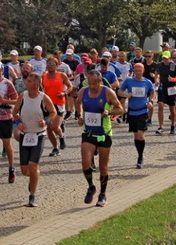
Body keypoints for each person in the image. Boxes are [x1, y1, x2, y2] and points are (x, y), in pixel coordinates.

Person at [75, 68, 123, 208]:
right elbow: (78, 102)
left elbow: (120, 109)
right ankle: (91, 186)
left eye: (95, 83)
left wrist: (109, 112)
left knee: (103, 166)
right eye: (90, 83)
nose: (92, 86)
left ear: (100, 81)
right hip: (88, 132)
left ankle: (102, 194)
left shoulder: (107, 92)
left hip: (104, 133)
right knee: (85, 162)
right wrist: (79, 116)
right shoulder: (83, 91)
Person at [13, 72, 59, 207]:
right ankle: (34, 176)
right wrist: (18, 122)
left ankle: (32, 195)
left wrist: (46, 121)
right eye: (27, 80)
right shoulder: (22, 96)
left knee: (33, 166)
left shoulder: (43, 98)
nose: (27, 82)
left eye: (30, 81)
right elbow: (14, 112)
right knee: (25, 170)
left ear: (37, 84)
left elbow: (53, 112)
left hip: (39, 135)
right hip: (25, 135)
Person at [117, 63, 155, 168]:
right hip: (132, 111)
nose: (138, 72)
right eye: (136, 70)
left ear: (143, 71)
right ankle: (139, 154)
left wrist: (151, 101)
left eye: (140, 70)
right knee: (136, 135)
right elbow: (120, 92)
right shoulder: (129, 81)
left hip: (142, 111)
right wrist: (126, 95)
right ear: (134, 70)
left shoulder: (147, 82)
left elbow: (152, 92)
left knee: (140, 135)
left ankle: (140, 157)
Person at [41, 58, 72, 156]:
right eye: (48, 64)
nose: (50, 65)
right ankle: (55, 148)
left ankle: (61, 136)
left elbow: (70, 86)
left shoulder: (61, 75)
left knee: (54, 126)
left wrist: (64, 93)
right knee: (49, 128)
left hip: (58, 103)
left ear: (57, 65)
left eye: (52, 64)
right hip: (47, 105)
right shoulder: (44, 76)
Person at [155, 50, 176, 135]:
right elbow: (157, 74)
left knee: (172, 109)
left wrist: (173, 79)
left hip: (171, 88)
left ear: (170, 58)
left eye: (167, 58)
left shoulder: (174, 66)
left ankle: (173, 125)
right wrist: (157, 80)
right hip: (162, 87)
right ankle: (160, 127)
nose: (165, 60)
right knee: (160, 105)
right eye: (164, 58)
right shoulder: (160, 65)